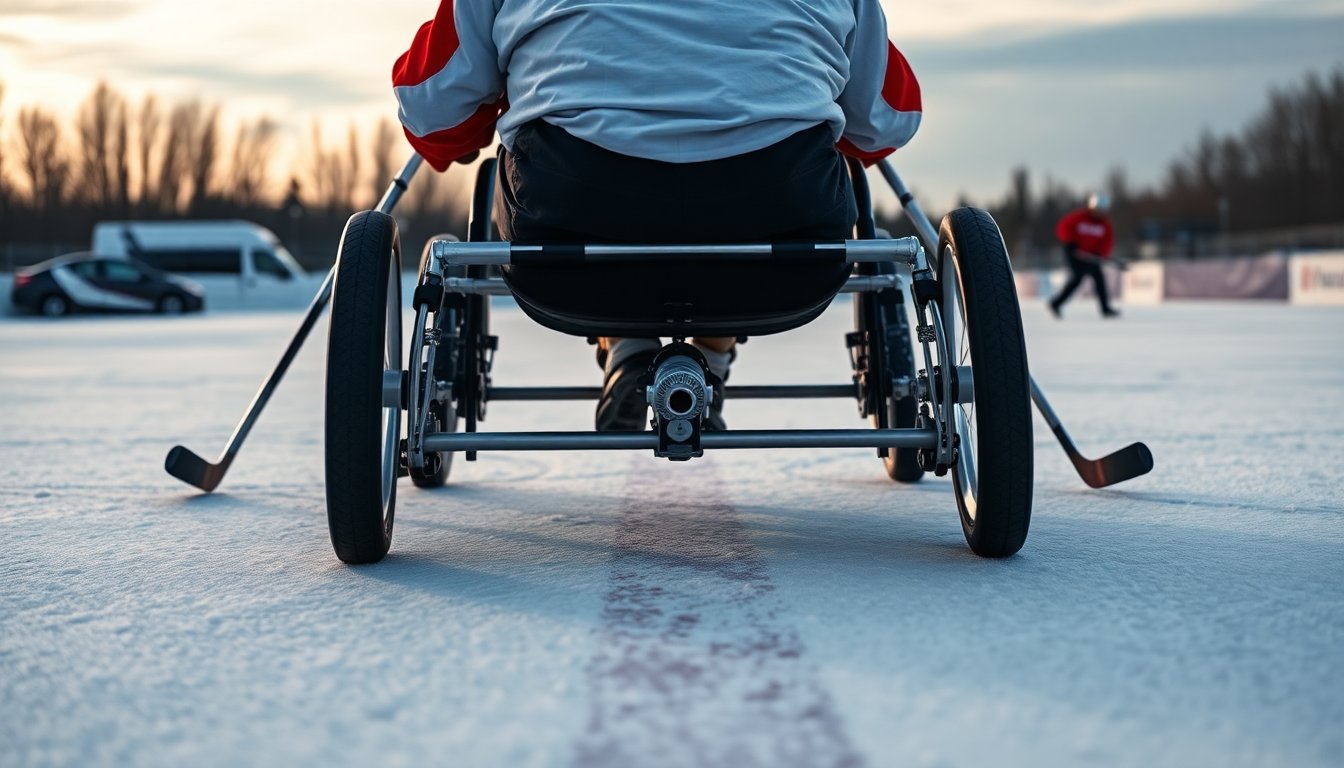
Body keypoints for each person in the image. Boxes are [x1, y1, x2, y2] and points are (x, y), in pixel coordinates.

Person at [393, 1, 921, 430]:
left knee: (555, 184)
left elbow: (431, 106)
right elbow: (885, 120)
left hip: (569, 242)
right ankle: (709, 358)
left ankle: (626, 348)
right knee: (749, 198)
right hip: (779, 246)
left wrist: (480, 117)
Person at [1048, 193, 1120, 318]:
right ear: (1092, 207)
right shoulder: (1079, 217)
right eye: (1098, 209)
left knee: (1099, 279)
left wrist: (1101, 253)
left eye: (1102, 210)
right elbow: (1063, 227)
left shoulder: (1104, 224)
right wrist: (1070, 243)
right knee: (1077, 278)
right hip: (1074, 254)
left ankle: (1105, 308)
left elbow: (1108, 241)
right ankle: (1056, 303)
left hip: (1091, 256)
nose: (1100, 212)